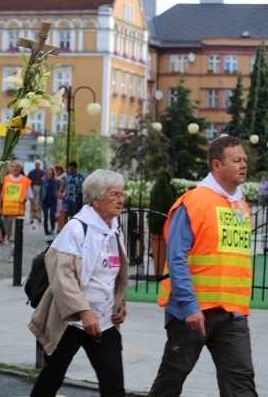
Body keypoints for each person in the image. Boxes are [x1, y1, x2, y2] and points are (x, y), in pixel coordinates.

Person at [149, 136, 257, 397]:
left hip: (232, 314)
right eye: (237, 160)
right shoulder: (193, 201)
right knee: (169, 383)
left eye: (244, 160)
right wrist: (189, 306)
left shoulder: (241, 206)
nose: (244, 165)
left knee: (241, 383)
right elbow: (176, 258)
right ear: (217, 165)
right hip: (192, 313)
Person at [29, 169, 129, 397]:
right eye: (114, 194)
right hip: (72, 322)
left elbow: (111, 272)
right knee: (52, 377)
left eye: (122, 194)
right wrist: (84, 312)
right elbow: (62, 279)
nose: (121, 199)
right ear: (95, 198)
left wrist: (119, 301)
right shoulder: (77, 228)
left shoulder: (115, 229)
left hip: (104, 321)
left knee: (113, 384)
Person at [0, 159, 37, 262]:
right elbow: (0, 196)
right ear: (10, 168)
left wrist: (34, 210)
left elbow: (30, 196)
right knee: (8, 234)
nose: (15, 169)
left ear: (20, 169)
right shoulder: (5, 179)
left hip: (18, 213)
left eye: (17, 167)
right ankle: (14, 251)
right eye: (13, 167)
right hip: (6, 211)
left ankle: (14, 253)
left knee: (14, 235)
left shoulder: (25, 181)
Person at [39, 166, 59, 238]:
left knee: (52, 217)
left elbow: (58, 190)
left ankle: (52, 230)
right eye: (47, 170)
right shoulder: (43, 180)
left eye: (50, 170)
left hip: (53, 200)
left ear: (53, 171)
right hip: (45, 200)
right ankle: (46, 233)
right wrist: (39, 201)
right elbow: (41, 191)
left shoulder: (56, 180)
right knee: (45, 217)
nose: (49, 171)